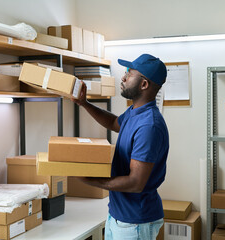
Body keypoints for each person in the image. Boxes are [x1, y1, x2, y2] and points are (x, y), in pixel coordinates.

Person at [72, 54, 169, 240]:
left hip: (134, 223)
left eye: (129, 74)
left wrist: (90, 181)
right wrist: (84, 103)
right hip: (119, 215)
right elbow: (115, 123)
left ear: (144, 84)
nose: (123, 78)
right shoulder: (135, 113)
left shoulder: (149, 126)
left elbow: (135, 183)